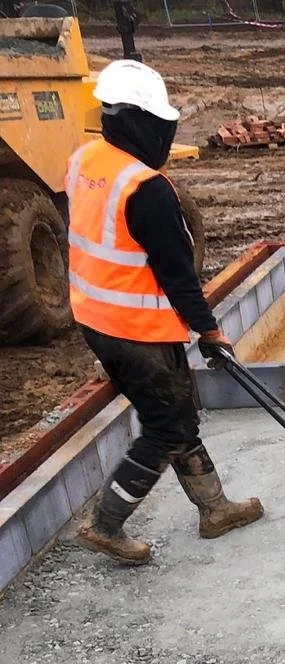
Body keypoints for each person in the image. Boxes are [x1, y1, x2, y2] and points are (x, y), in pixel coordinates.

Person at [69, 59, 261, 565]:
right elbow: (178, 276)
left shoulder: (87, 160)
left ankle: (215, 509)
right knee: (165, 427)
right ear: (141, 122)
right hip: (136, 330)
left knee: (178, 415)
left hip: (95, 316)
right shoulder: (147, 190)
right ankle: (106, 524)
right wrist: (210, 331)